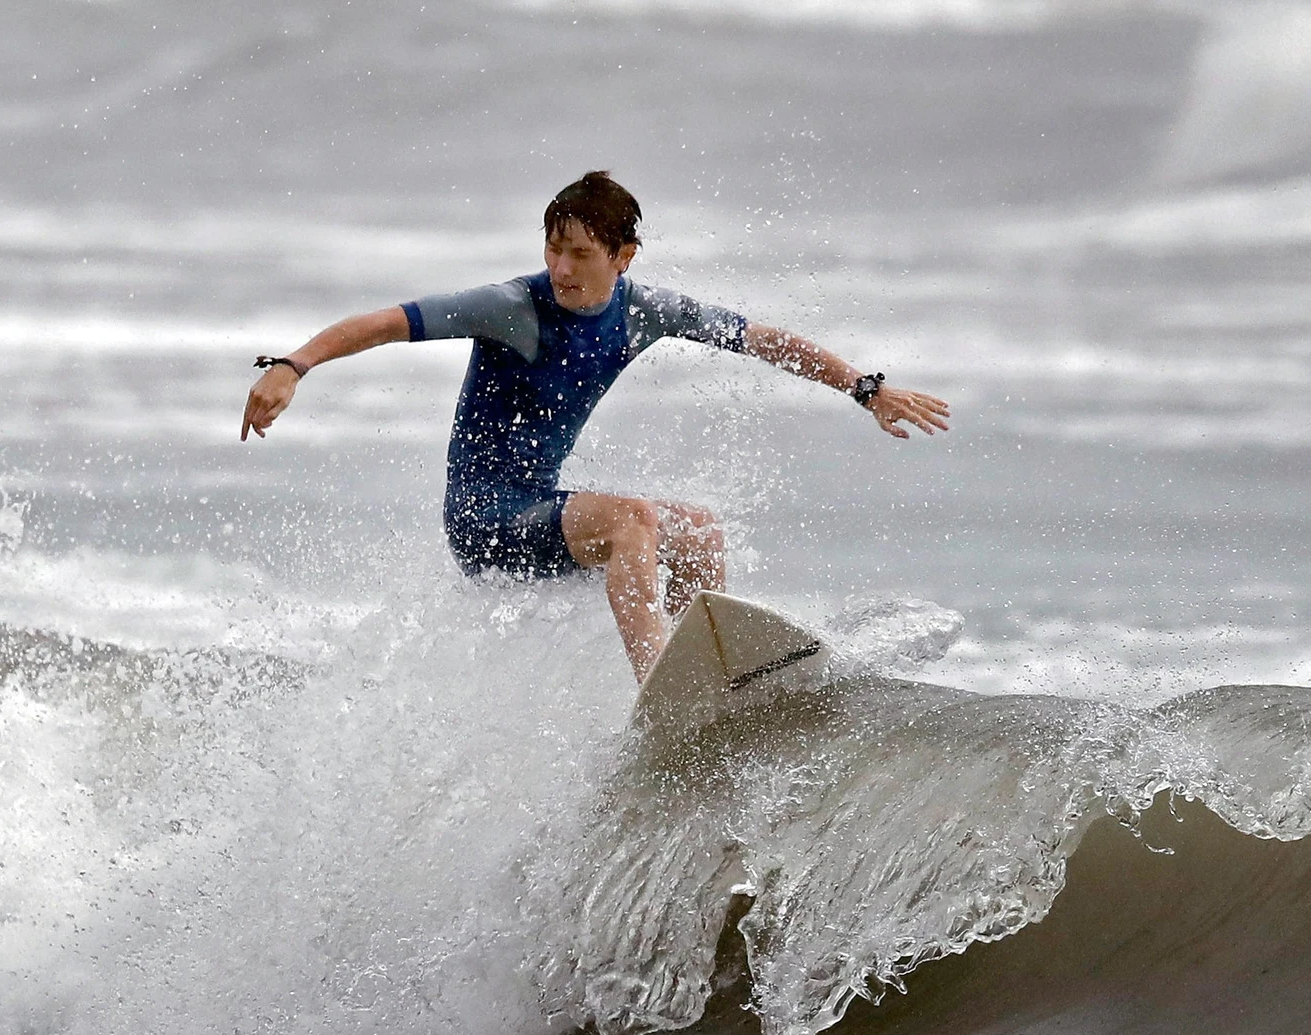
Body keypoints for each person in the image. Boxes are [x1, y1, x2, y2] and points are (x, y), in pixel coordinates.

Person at [241, 171, 950, 682]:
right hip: (483, 518)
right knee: (635, 519)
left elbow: (761, 339)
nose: (561, 267)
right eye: (554, 249)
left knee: (699, 531)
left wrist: (863, 386)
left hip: (539, 506)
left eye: (580, 253)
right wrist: (293, 365)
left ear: (623, 256)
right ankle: (662, 691)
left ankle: (713, 675)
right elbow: (386, 322)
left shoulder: (645, 311)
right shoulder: (511, 307)